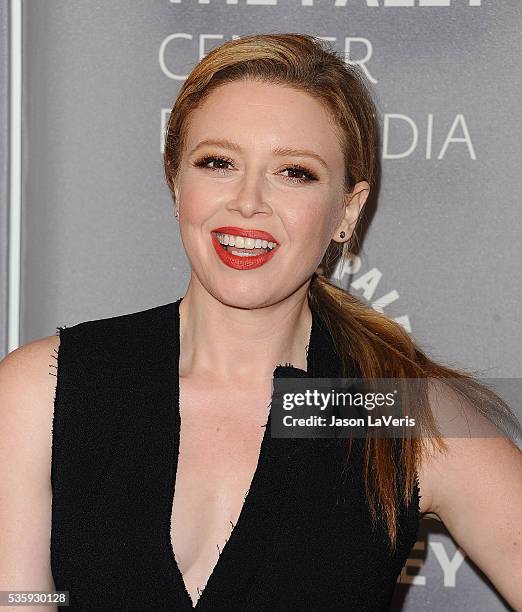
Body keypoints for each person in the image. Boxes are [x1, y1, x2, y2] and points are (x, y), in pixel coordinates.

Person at [1, 33, 521, 611]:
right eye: (218, 163)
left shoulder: (389, 411)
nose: (248, 201)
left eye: (294, 173)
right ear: (177, 181)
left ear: (347, 211)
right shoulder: (47, 389)